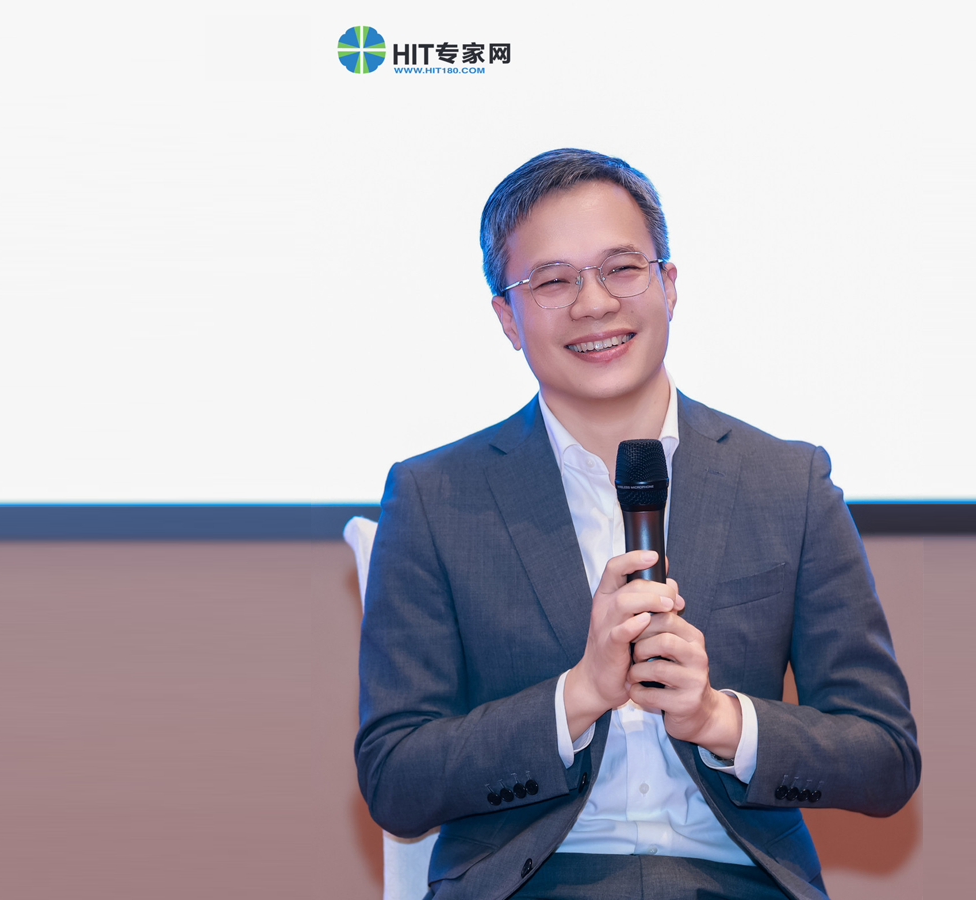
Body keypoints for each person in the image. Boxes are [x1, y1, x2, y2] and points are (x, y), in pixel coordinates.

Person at [355, 148, 919, 900]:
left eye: (622, 269)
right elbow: (395, 778)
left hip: (738, 881)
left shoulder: (788, 482)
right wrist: (578, 695)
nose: (594, 304)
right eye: (553, 281)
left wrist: (720, 720)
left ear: (669, 284)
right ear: (507, 318)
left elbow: (884, 758)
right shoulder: (434, 497)